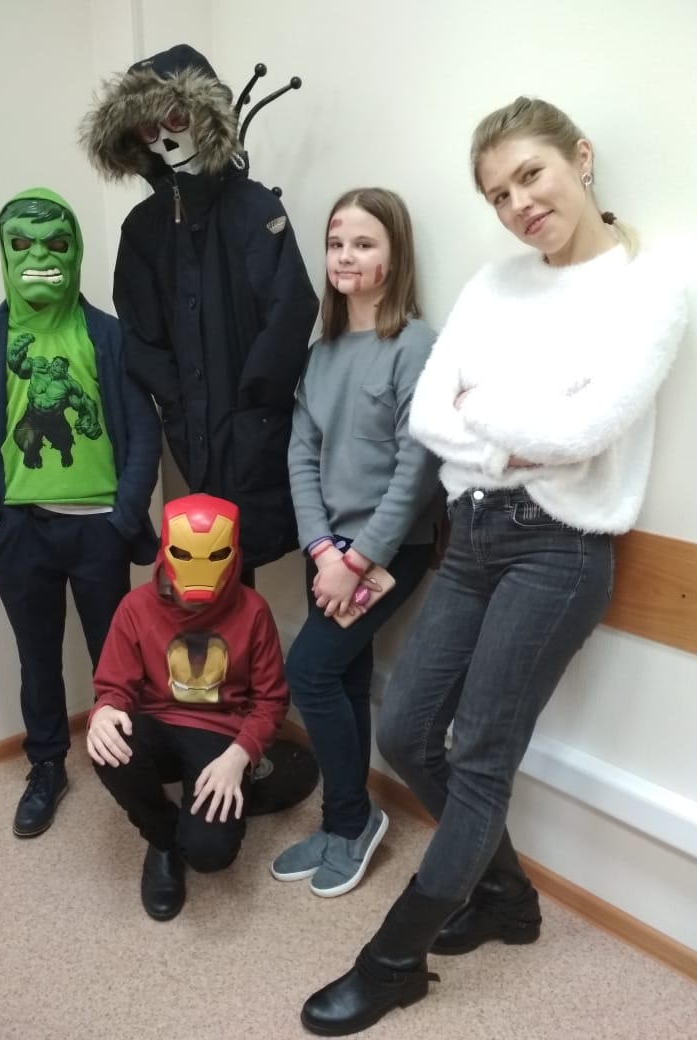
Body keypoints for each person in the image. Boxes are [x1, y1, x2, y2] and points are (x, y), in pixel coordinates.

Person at [300, 97, 688, 1035]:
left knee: (477, 753)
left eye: (530, 175)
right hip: (471, 537)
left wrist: (491, 412)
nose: (518, 204)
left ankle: (394, 961)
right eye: (498, 194)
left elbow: (584, 431)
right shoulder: (494, 283)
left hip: (559, 552)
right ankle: (508, 899)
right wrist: (512, 426)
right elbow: (433, 417)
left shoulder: (649, 288)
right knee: (408, 732)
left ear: (579, 158)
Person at [0, 188, 161, 839]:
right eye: (23, 242)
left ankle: (131, 764)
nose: (39, 255)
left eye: (55, 242)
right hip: (21, 533)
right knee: (36, 658)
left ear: (74, 250)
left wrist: (123, 517)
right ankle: (47, 765)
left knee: (117, 659)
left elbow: (143, 431)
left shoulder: (107, 335)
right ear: (5, 250)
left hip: (100, 530)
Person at [79, 43, 319, 577]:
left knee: (254, 537)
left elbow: (290, 307)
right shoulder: (144, 229)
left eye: (176, 119)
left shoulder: (255, 208)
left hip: (256, 419)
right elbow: (140, 330)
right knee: (207, 552)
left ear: (205, 118)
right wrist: (177, 398)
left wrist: (255, 398)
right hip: (191, 426)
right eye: (148, 129)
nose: (165, 139)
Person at [269, 188, 442, 899]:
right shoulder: (321, 354)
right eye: (337, 243)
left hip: (388, 550)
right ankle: (345, 818)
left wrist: (358, 559)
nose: (345, 256)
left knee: (308, 673)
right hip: (329, 549)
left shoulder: (416, 346)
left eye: (364, 244)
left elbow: (417, 471)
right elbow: (301, 456)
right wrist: (320, 550)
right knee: (340, 677)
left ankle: (352, 819)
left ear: (394, 257)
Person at [86, 493, 289, 921]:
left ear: (233, 553)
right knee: (107, 744)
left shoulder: (253, 611)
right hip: (155, 721)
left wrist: (241, 755)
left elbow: (271, 700)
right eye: (184, 554)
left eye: (215, 556)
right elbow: (114, 685)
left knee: (209, 854)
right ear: (165, 549)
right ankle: (160, 837)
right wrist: (104, 710)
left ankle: (238, 788)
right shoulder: (136, 607)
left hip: (220, 733)